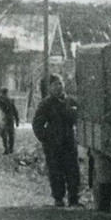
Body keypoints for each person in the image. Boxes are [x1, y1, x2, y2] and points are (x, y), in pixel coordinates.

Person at [31, 75, 81, 207]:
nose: (58, 87)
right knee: (56, 172)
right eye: (54, 85)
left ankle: (74, 198)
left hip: (69, 142)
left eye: (60, 84)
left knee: (73, 170)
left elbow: (80, 119)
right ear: (50, 88)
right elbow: (37, 125)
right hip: (53, 145)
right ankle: (58, 198)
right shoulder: (46, 104)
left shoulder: (71, 102)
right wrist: (47, 138)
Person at [0, 87, 20, 155]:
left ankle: (6, 148)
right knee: (10, 133)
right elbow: (15, 111)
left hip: (3, 118)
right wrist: (17, 120)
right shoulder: (9, 100)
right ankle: (11, 148)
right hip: (10, 118)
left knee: (3, 133)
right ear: (6, 93)